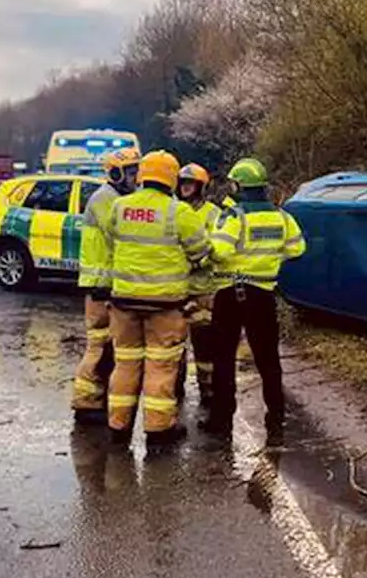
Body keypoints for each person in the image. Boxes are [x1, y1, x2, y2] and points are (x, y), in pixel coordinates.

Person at [105, 149, 210, 449]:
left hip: (124, 302)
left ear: (142, 175)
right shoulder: (180, 213)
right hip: (165, 306)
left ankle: (118, 427)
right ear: (172, 179)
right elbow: (200, 252)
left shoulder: (119, 206)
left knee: (125, 363)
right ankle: (158, 430)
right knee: (160, 367)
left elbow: (113, 242)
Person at [204, 158, 306, 443]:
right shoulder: (281, 216)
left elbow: (220, 251)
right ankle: (275, 415)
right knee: (268, 360)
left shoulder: (234, 216)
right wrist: (270, 258)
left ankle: (221, 419)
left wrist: (206, 251)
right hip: (263, 295)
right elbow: (297, 248)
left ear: (238, 185)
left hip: (230, 293)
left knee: (223, 358)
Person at [70, 146, 141, 424]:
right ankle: (87, 402)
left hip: (107, 284)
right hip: (101, 286)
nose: (136, 177)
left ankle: (95, 400)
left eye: (138, 170)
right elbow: (122, 236)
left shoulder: (117, 198)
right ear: (115, 173)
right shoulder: (105, 200)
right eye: (131, 171)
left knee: (106, 347)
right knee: (99, 347)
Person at [175, 163, 224, 412]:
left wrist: (197, 261)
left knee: (204, 343)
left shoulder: (214, 214)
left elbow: (217, 248)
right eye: (182, 182)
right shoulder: (174, 211)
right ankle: (175, 387)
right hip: (177, 289)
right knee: (173, 343)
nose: (185, 187)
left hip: (204, 289)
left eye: (190, 183)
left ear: (201, 187)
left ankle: (208, 388)